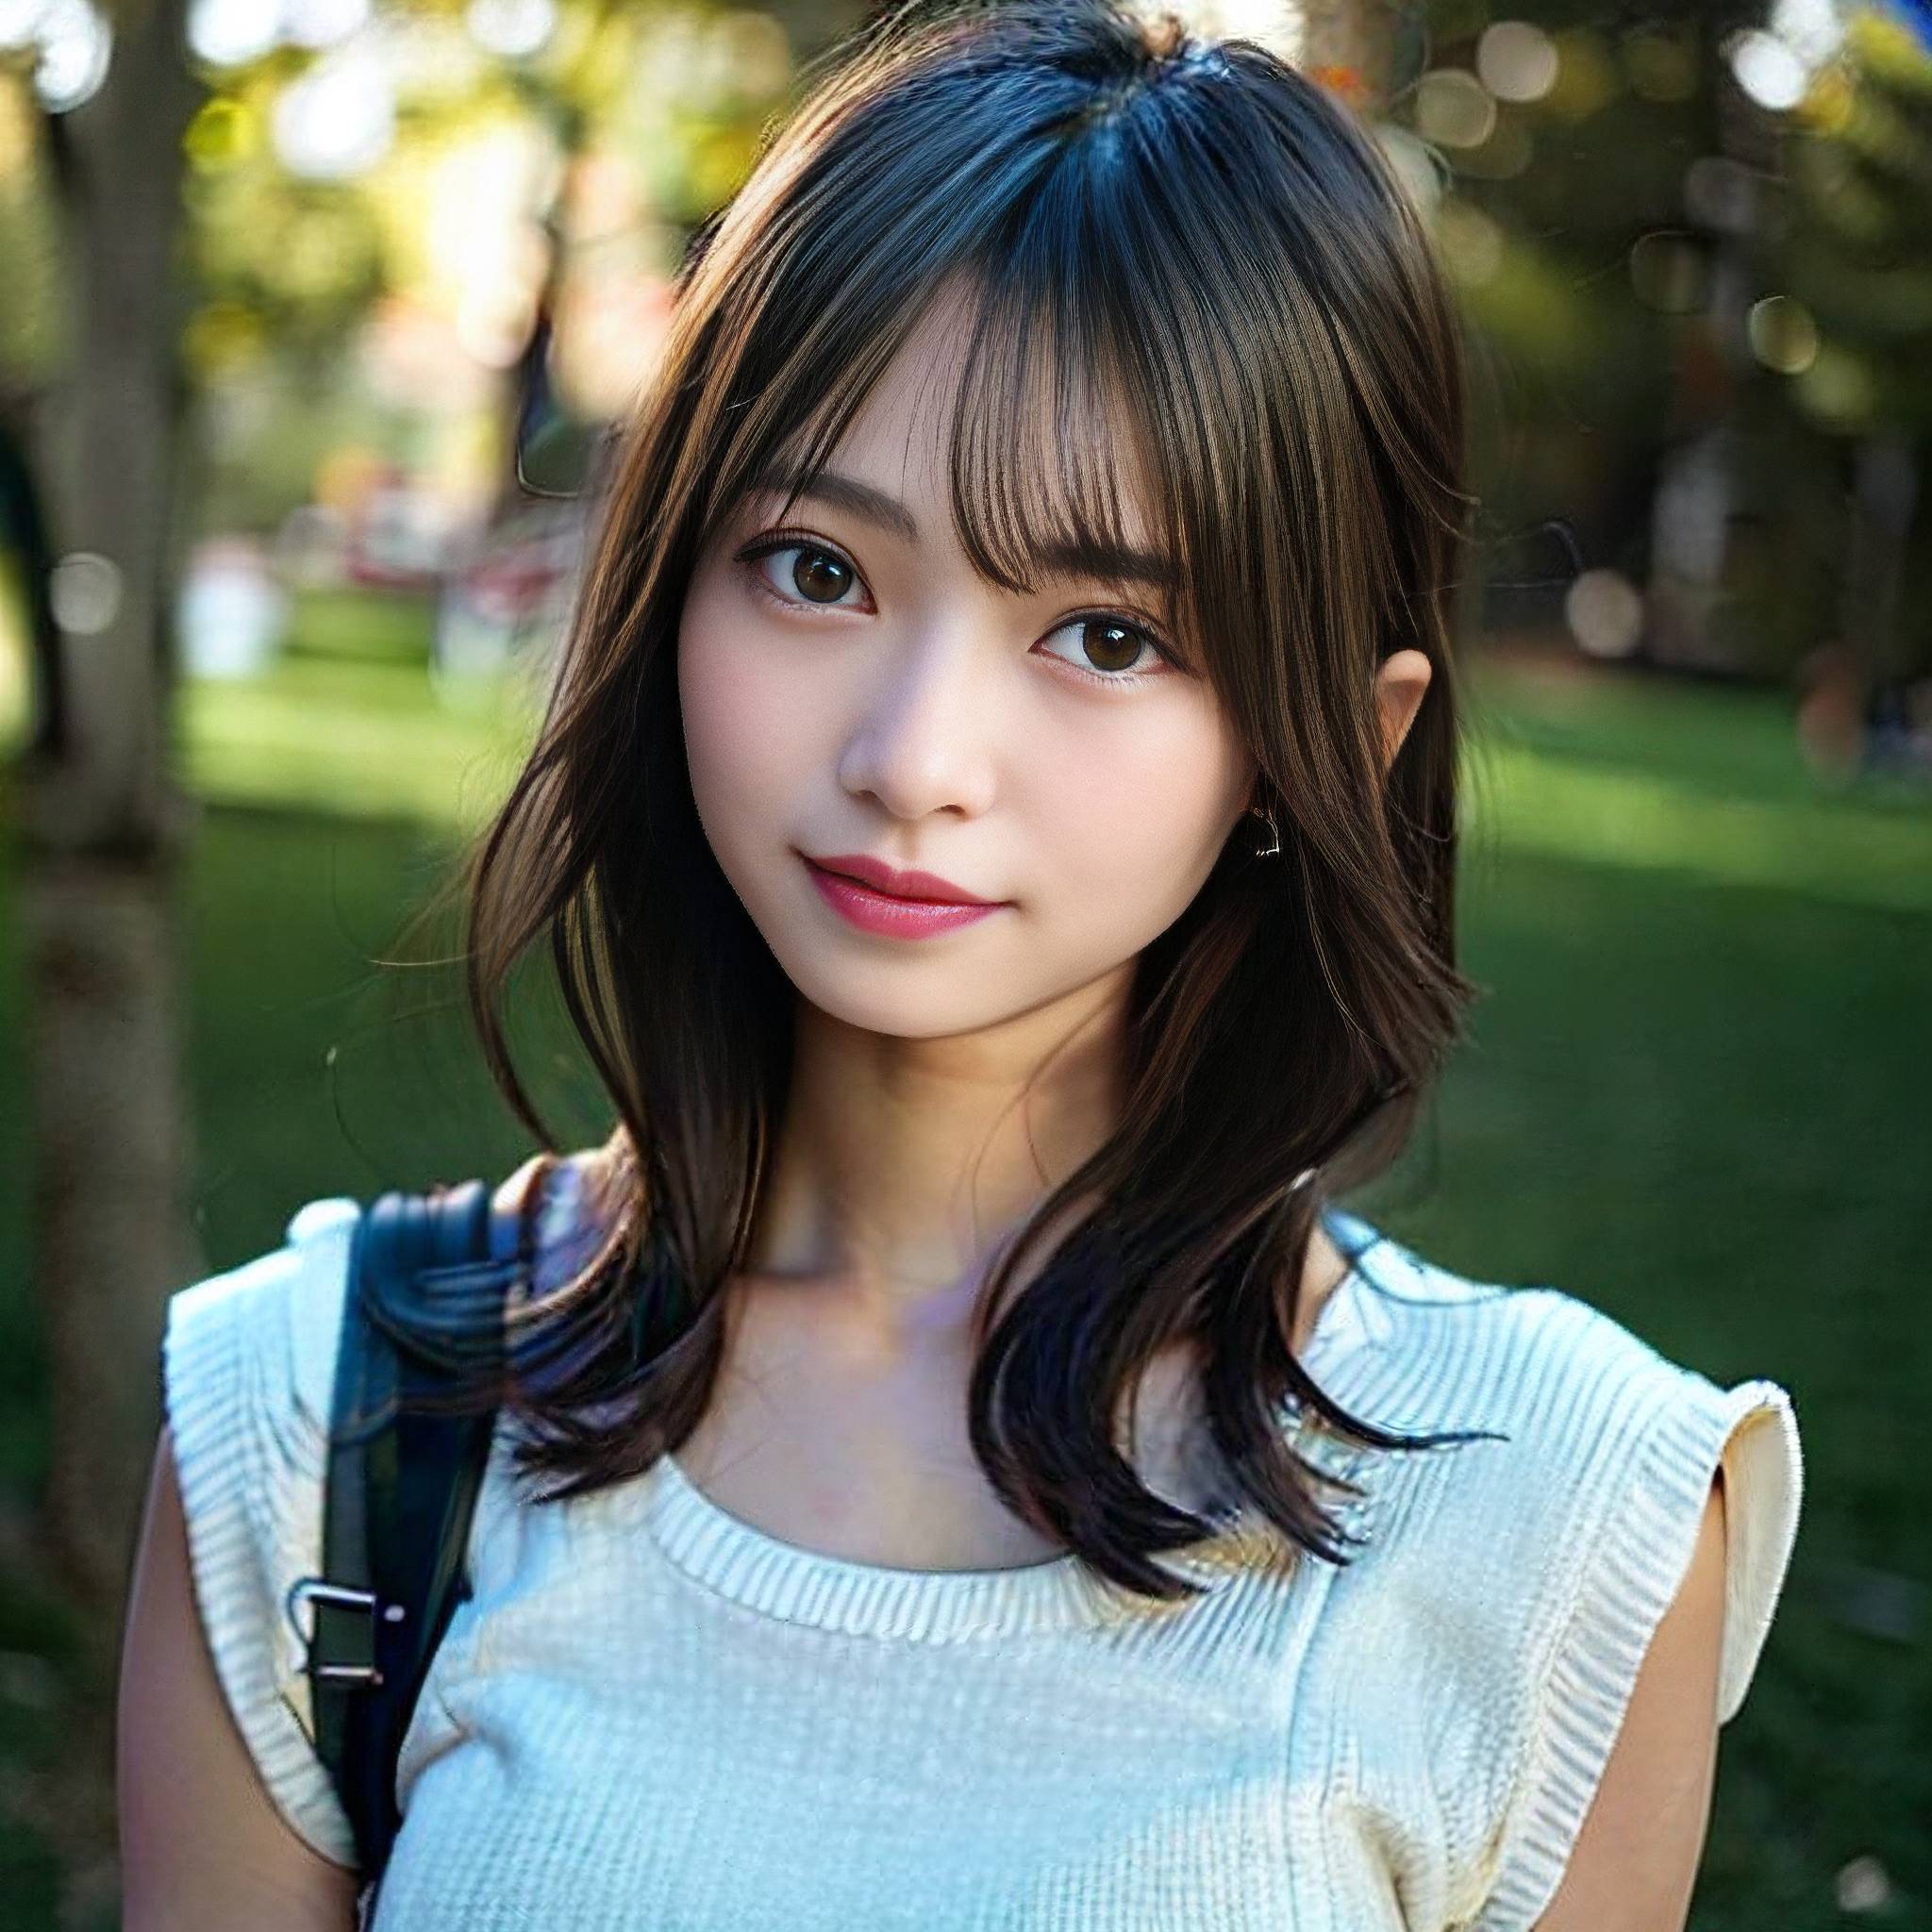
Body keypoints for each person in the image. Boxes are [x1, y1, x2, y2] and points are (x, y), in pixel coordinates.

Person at [116, 2, 1806, 1927]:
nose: (913, 758)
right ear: (669, 588)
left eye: (1104, 634)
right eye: (817, 570)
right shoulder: (323, 1425)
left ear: (1328, 737)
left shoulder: (1556, 1515)